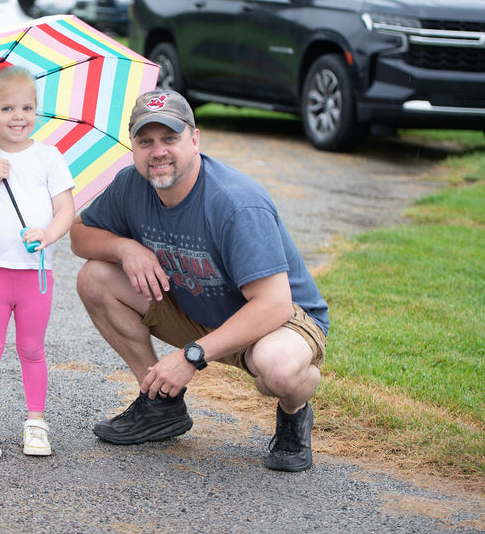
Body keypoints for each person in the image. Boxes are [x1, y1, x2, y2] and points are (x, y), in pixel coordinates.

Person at [69, 89, 329, 471]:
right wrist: (125, 247)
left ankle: (294, 414)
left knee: (279, 370)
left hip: (278, 322)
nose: (158, 152)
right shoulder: (130, 185)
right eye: (145, 141)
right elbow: (79, 236)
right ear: (133, 148)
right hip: (199, 311)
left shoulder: (236, 203)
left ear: (195, 140)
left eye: (170, 138)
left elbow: (273, 304)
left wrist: (191, 355)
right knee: (95, 278)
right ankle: (160, 404)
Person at [0, 64, 76, 458]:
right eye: (7, 109)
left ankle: (36, 422)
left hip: (34, 274)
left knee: (32, 348)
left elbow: (65, 210)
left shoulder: (48, 157)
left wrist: (48, 235)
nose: (18, 116)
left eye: (26, 108)